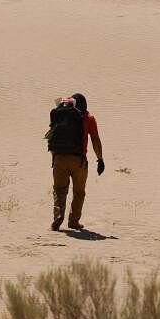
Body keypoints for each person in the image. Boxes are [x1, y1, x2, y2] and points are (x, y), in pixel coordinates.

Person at [45, 92, 104, 231]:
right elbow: (95, 139)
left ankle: (58, 216)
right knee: (79, 192)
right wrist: (100, 158)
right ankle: (74, 221)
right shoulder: (89, 118)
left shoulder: (61, 115)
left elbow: (51, 137)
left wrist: (55, 157)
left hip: (59, 158)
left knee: (59, 190)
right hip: (79, 161)